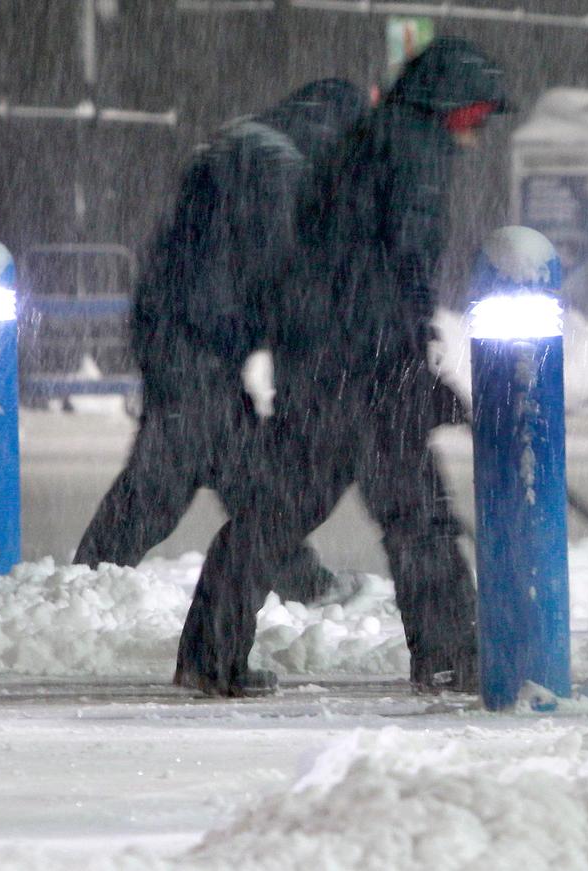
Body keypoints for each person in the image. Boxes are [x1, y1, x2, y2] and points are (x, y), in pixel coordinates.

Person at [173, 38, 510, 696]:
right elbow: (397, 269)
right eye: (476, 115)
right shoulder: (412, 152)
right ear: (450, 106)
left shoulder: (369, 140)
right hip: (362, 364)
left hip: (322, 357)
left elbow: (339, 259)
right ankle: (451, 663)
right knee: (419, 520)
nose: (478, 131)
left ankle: (208, 656)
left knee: (277, 511)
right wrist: (406, 365)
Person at [74, 79, 366, 604]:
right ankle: (89, 582)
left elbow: (217, 256)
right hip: (196, 336)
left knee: (218, 462)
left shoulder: (243, 147)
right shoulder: (279, 168)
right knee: (182, 471)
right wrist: (299, 344)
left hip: (178, 326)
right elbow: (276, 271)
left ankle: (91, 579)